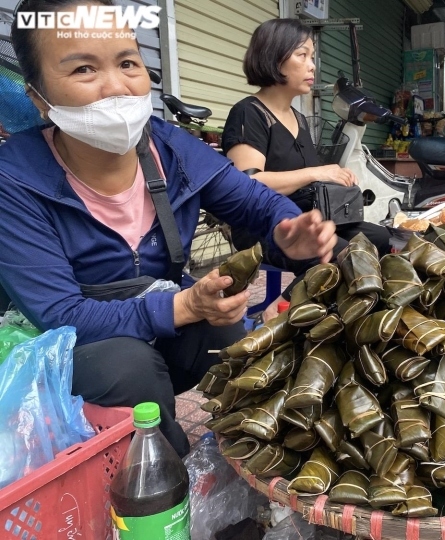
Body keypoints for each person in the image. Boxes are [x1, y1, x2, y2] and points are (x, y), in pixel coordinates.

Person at [0, 0, 337, 457]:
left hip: (156, 315)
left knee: (230, 338)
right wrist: (182, 306)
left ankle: (243, 454)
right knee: (130, 366)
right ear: (38, 96)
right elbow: (61, 313)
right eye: (83, 69)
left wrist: (287, 231)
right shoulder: (14, 179)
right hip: (65, 349)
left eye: (127, 63)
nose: (116, 87)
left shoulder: (168, 146)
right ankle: (165, 479)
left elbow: (256, 202)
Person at [222, 18, 392, 321]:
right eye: (302, 55)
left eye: (312, 56)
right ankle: (279, 314)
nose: (312, 66)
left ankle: (344, 315)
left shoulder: (299, 119)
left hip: (306, 219)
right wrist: (317, 172)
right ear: (274, 58)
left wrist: (336, 178)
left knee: (381, 240)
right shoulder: (249, 113)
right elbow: (247, 185)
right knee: (342, 256)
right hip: (265, 228)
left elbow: (312, 185)